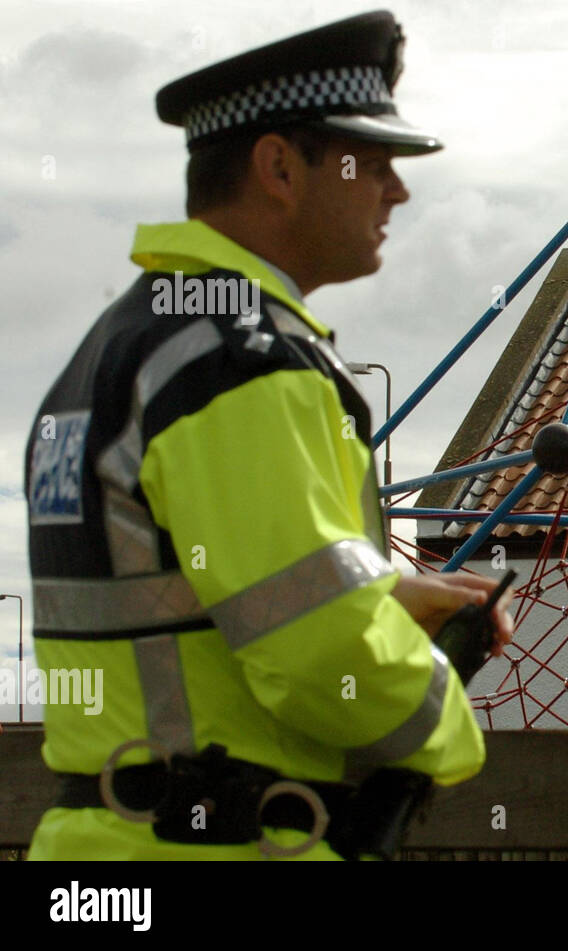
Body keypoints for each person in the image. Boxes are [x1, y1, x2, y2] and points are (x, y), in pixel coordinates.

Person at [23, 9, 511, 860]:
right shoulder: (241, 362)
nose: (396, 189)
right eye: (374, 162)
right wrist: (448, 721)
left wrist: (384, 598)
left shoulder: (125, 345)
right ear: (280, 167)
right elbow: (318, 655)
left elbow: (198, 599)